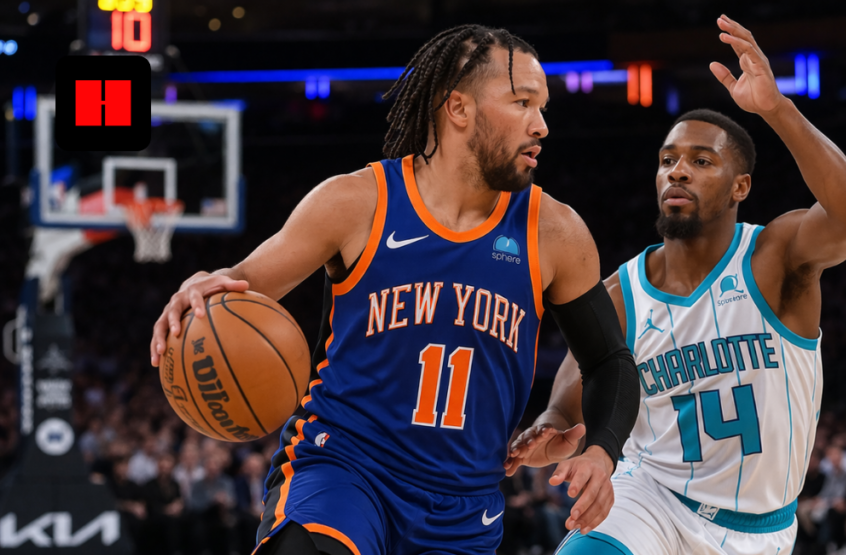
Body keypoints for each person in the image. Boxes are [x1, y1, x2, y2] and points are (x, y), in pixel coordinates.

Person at [149, 24, 640, 555]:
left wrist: (600, 451)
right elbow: (239, 288)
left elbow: (610, 360)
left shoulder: (555, 232)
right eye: (522, 102)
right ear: (458, 109)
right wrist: (200, 292)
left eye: (543, 107)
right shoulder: (356, 203)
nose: (541, 125)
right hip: (344, 470)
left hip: (464, 504)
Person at [505, 14, 846, 554]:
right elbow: (582, 375)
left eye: (701, 161)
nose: (677, 171)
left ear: (739, 186)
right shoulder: (623, 292)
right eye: (668, 160)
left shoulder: (774, 260)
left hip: (760, 530)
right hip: (648, 499)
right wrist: (554, 421)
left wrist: (777, 108)